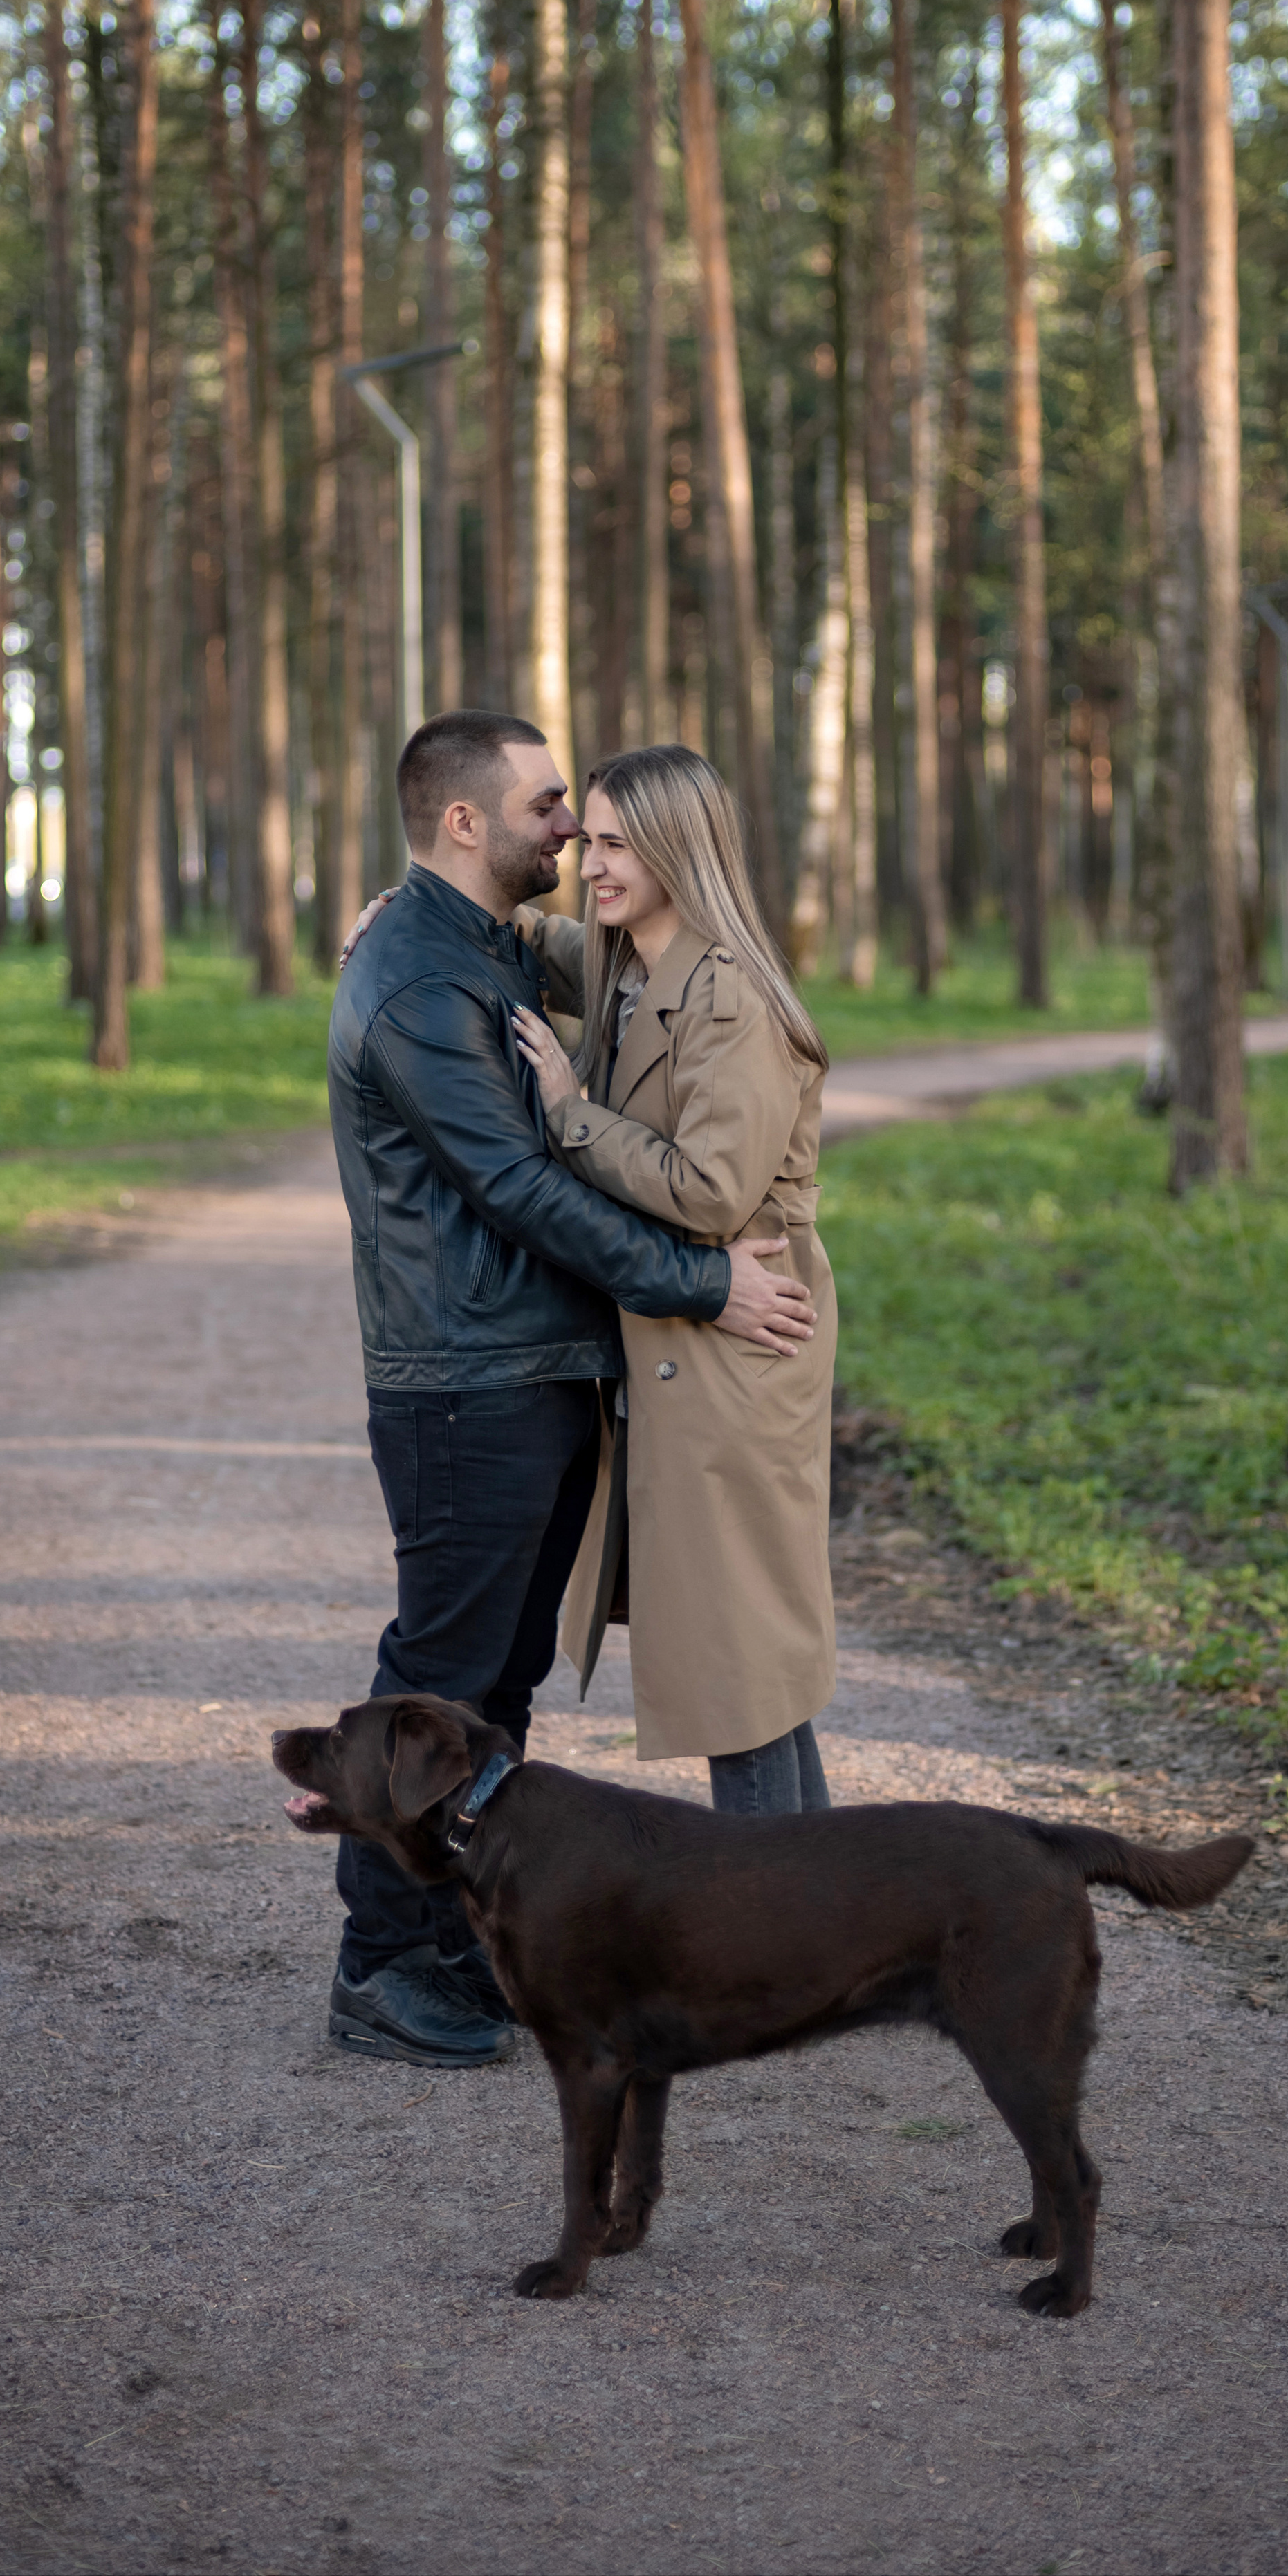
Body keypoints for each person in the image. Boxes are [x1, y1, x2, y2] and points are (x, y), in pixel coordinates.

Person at [326, 710, 816, 2071]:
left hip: (532, 1368)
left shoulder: (472, 947)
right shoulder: (425, 986)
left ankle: (449, 1942)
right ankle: (379, 1962)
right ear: (464, 822)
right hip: (463, 1382)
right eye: (550, 808)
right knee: (437, 1673)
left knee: (495, 1689)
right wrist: (703, 1282)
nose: (568, 833)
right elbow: (521, 1182)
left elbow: (588, 966)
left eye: (587, 819)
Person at [509, 742, 838, 1815]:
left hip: (741, 1351)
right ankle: (816, 1931)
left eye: (613, 845)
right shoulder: (642, 961)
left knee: (735, 1673)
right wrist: (422, 907)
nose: (588, 863)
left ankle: (774, 1948)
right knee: (748, 1672)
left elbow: (707, 1190)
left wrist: (568, 1109)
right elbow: (555, 945)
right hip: (699, 1347)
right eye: (588, 838)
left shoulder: (729, 994)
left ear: (674, 851)